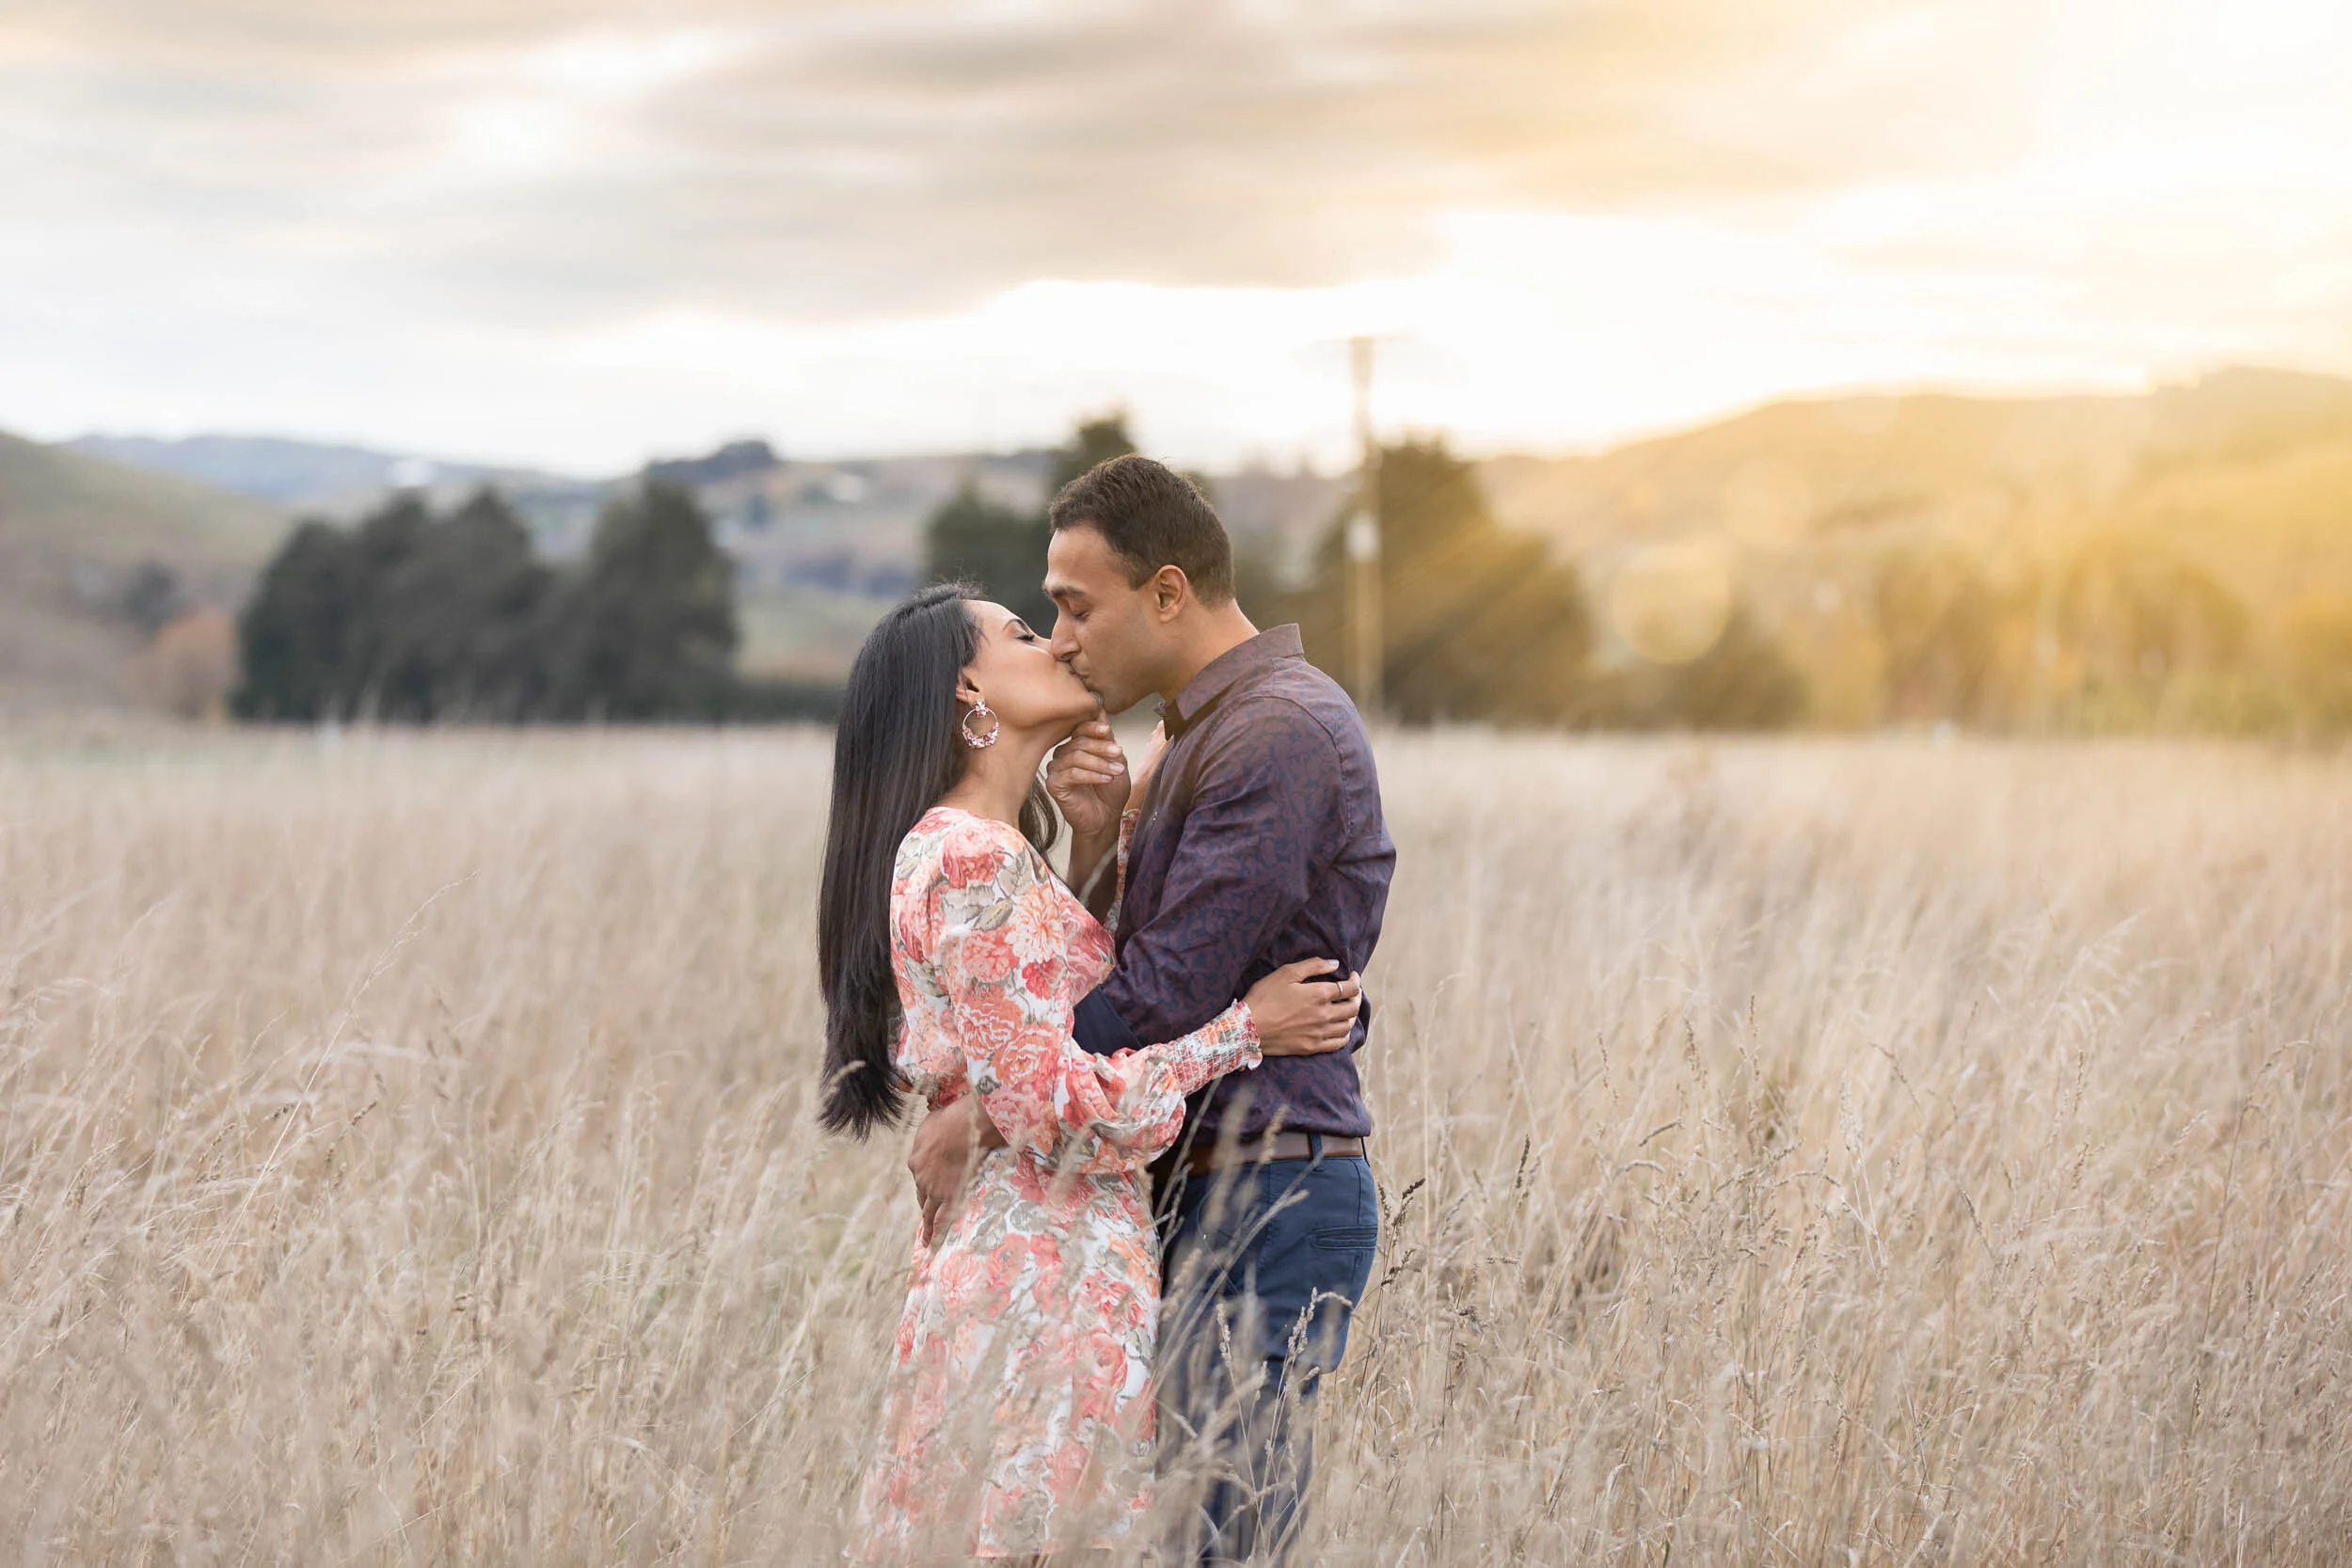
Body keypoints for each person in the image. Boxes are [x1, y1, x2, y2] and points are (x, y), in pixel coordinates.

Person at [910, 456, 1394, 1564]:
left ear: (1168, 591)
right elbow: (1126, 971)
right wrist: (1099, 839)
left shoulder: (1274, 734)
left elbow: (1162, 991)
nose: (1062, 636)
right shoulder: (1201, 732)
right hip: (1209, 1183)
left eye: (1078, 605)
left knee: (1225, 1542)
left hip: (1266, 1188)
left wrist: (986, 1105)